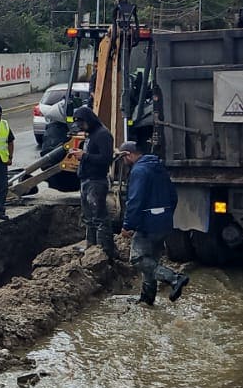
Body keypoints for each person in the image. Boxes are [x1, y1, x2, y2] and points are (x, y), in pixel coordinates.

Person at [119, 141, 190, 305]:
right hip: (163, 223)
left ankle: (174, 278)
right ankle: (147, 298)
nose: (123, 162)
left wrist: (128, 225)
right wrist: (165, 216)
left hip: (147, 224)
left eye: (122, 158)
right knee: (151, 261)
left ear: (127, 155)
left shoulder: (139, 171)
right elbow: (173, 196)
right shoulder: (158, 167)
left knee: (138, 259)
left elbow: (135, 201)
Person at [69, 105, 116, 257]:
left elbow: (106, 159)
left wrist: (84, 156)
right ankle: (91, 247)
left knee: (99, 218)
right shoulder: (90, 135)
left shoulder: (102, 135)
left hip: (96, 181)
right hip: (86, 180)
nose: (81, 128)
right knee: (88, 217)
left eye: (82, 124)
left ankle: (104, 251)